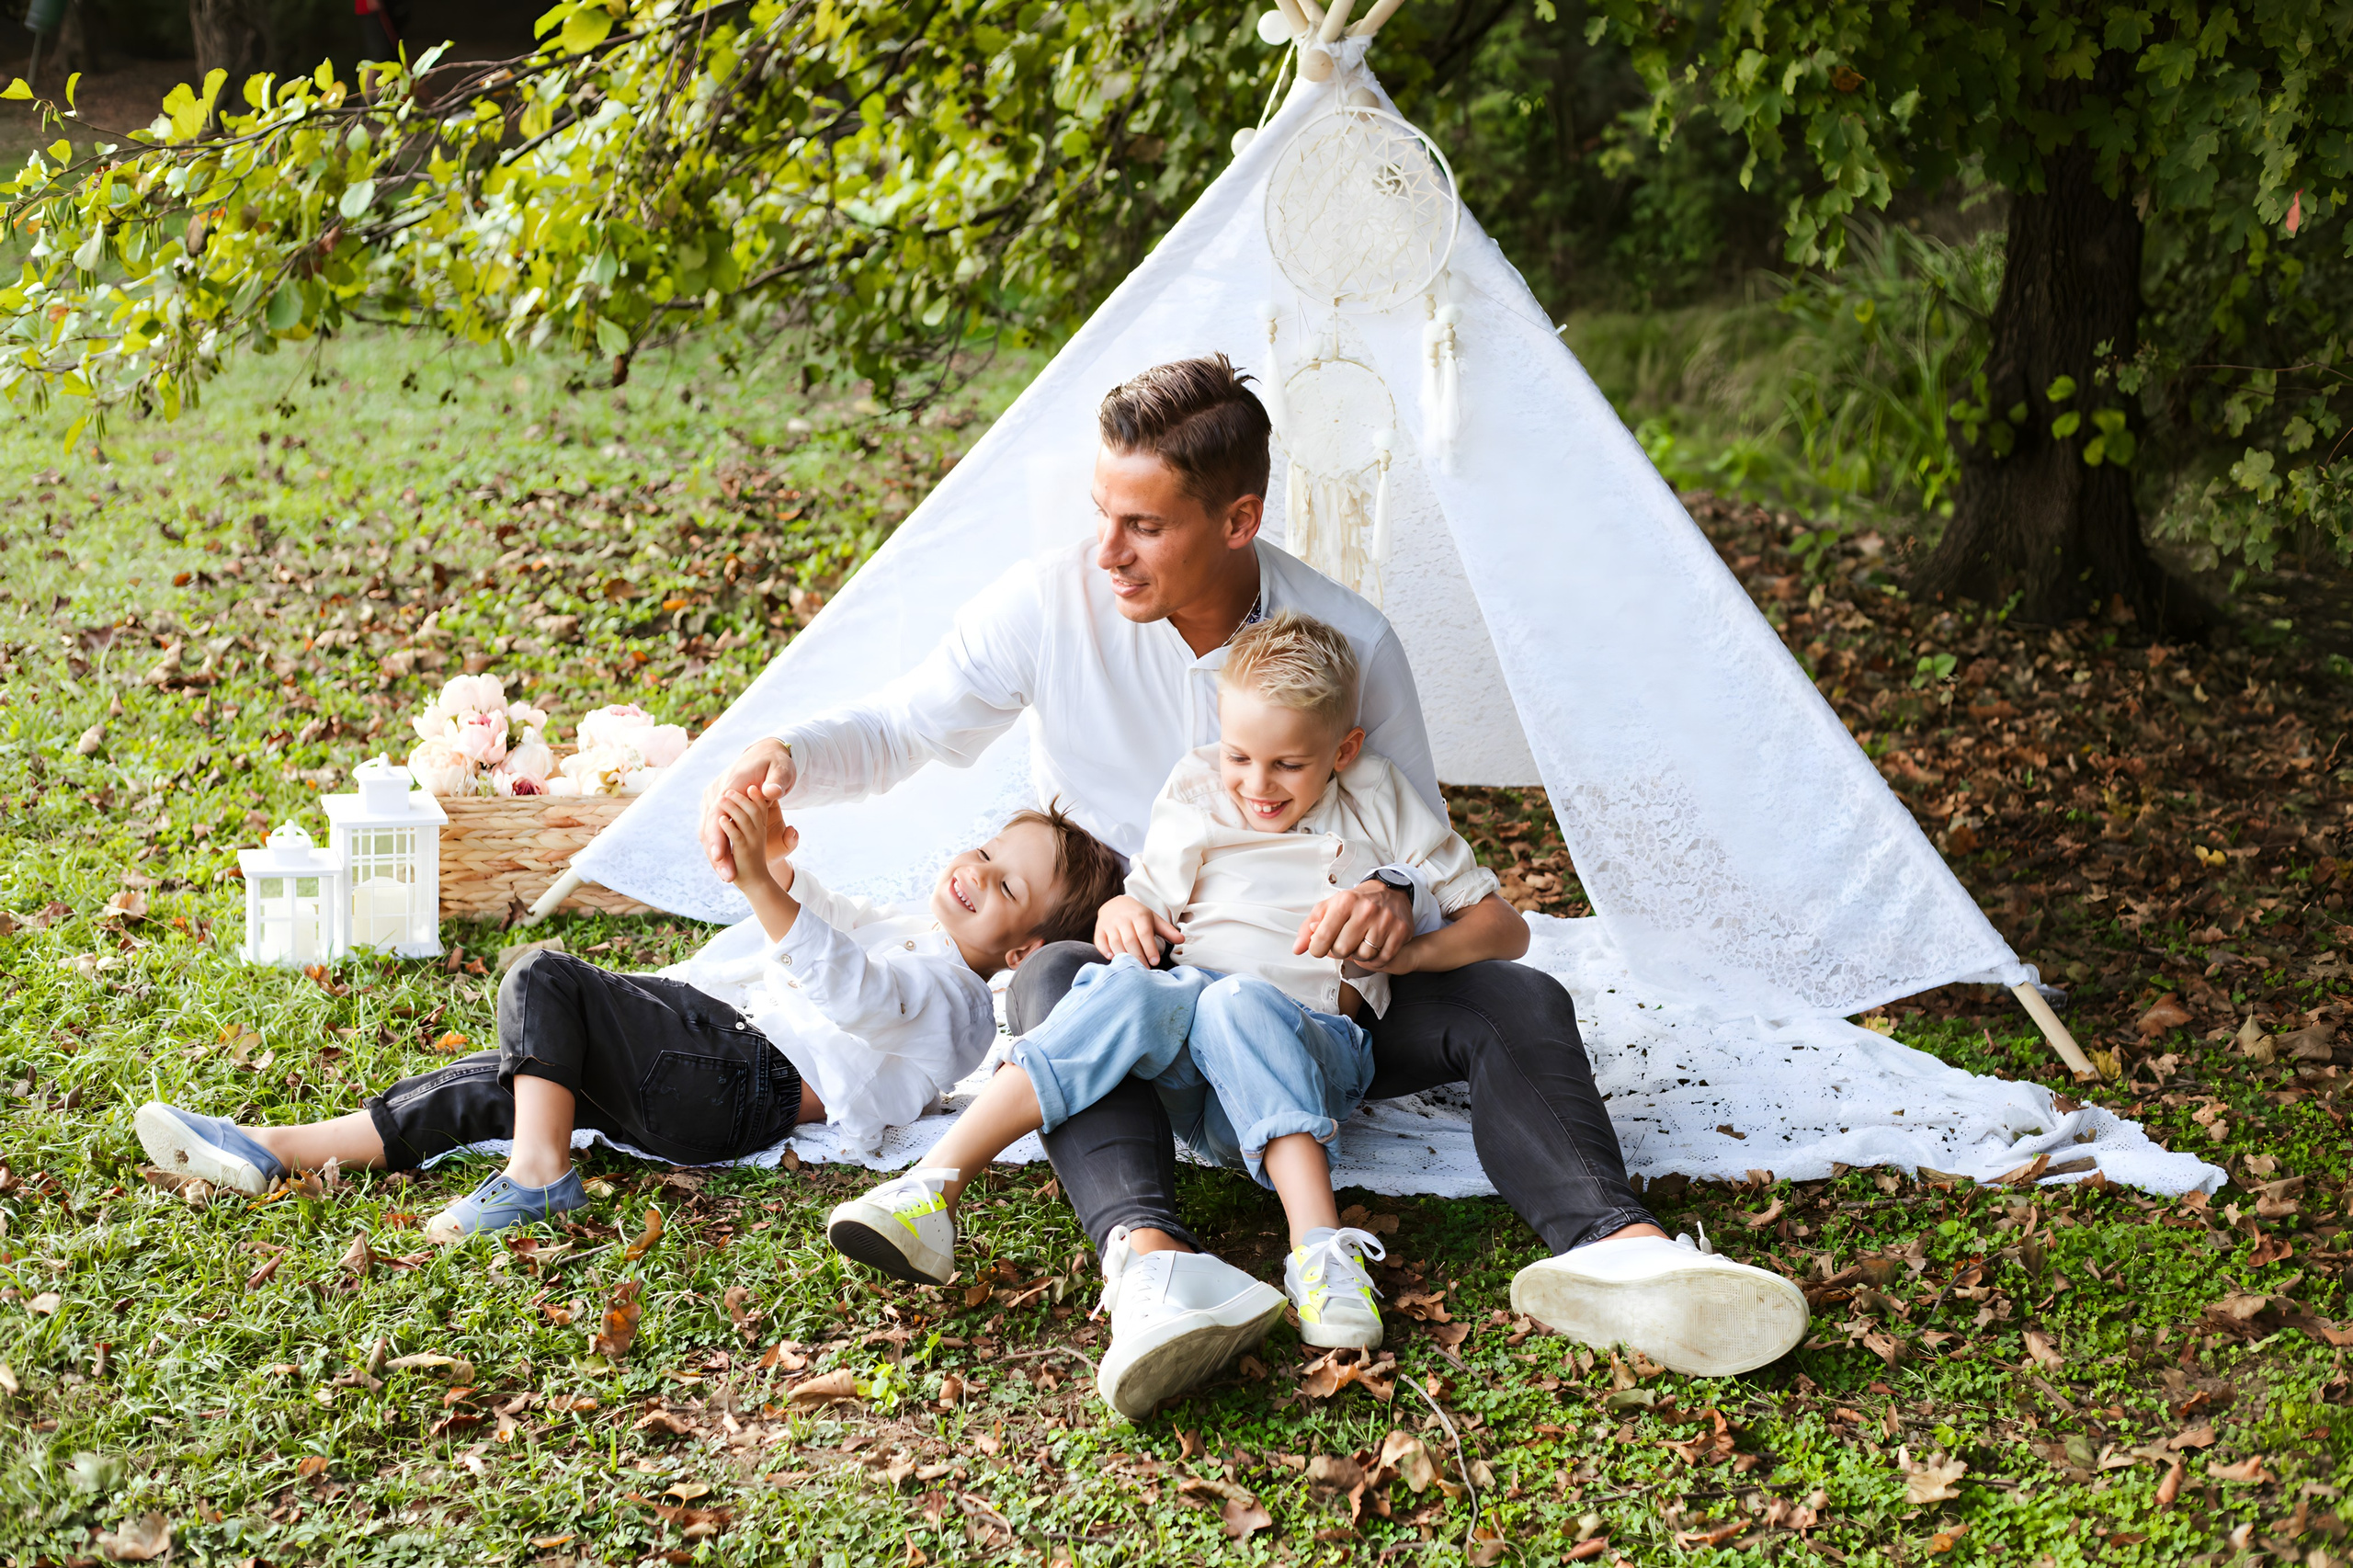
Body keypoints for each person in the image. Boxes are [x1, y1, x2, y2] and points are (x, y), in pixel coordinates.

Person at [699, 354, 1808, 1398]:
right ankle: (1148, 1263)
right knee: (1055, 982)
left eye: (1143, 525)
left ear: (1237, 520)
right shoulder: (1051, 605)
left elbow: (1412, 840)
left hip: (1315, 987)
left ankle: (1618, 1248)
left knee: (1517, 994)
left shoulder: (1347, 644)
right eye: (1101, 514)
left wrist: (1388, 897)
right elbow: (908, 723)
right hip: (1143, 957)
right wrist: (789, 754)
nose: (1107, 551)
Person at [826, 611, 1520, 1414]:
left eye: (1288, 765)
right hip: (1197, 1077)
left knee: (1235, 1000)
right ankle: (932, 1188)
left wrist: (1405, 956)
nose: (1257, 785)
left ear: (1343, 750)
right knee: (1133, 986)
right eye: (1239, 756)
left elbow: (1506, 929)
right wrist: (1122, 911)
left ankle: (1320, 1256)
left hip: (1312, 1050)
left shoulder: (1378, 797)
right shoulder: (1194, 786)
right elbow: (1144, 903)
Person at [132, 800, 1123, 1240]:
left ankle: (539, 1177)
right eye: (986, 851)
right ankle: (278, 1149)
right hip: (715, 1064)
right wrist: (782, 869)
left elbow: (853, 986)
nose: (976, 872)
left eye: (1005, 886)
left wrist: (763, 892)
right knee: (511, 1078)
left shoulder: (957, 1005)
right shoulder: (918, 928)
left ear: (1023, 951)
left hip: (737, 1077)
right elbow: (835, 921)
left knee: (545, 980)